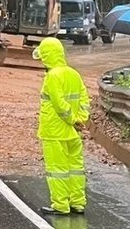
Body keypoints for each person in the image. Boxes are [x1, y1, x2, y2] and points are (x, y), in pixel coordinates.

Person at [34, 36, 90, 216]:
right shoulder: (74, 74)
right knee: (75, 168)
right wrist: (81, 119)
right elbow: (84, 99)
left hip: (55, 131)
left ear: (47, 56)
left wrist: (72, 119)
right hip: (73, 133)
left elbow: (59, 105)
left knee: (57, 170)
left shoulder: (52, 76)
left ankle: (61, 205)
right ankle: (78, 202)